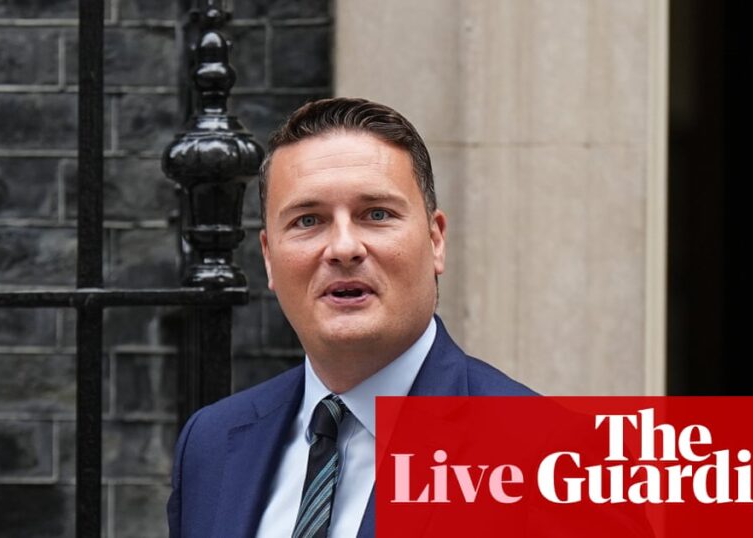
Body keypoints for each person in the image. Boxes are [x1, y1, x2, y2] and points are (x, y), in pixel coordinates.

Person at [167, 97, 535, 538]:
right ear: (268, 258)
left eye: (376, 214)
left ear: (435, 240)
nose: (343, 248)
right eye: (308, 220)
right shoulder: (210, 444)